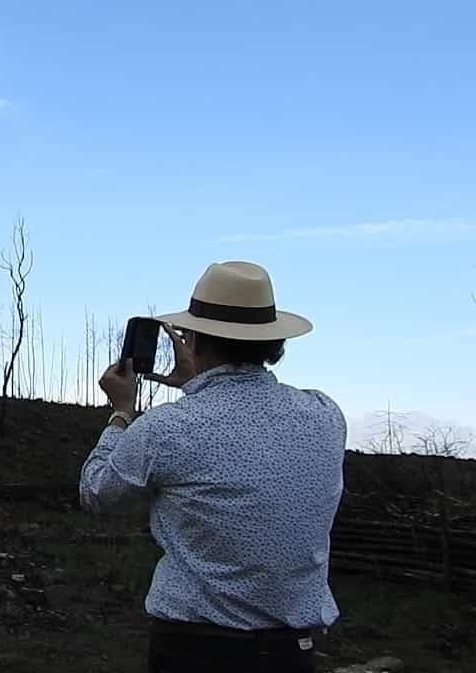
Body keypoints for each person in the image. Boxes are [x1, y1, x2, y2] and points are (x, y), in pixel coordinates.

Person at [79, 261, 346, 673]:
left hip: (195, 652)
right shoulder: (325, 416)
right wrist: (197, 382)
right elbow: (245, 442)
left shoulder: (167, 429)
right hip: (292, 654)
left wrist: (120, 413)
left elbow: (98, 492)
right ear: (271, 341)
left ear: (193, 341)